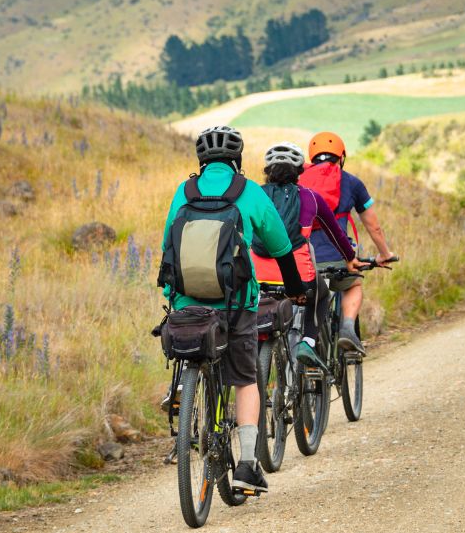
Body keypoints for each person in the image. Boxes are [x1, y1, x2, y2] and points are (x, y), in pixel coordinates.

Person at [160, 125, 305, 495]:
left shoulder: (185, 191)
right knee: (245, 379)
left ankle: (181, 390)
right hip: (237, 304)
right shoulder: (249, 192)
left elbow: (167, 247)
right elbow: (280, 246)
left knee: (191, 343)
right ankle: (246, 464)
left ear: (201, 161)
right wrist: (294, 289)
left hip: (187, 303)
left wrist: (172, 294)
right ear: (237, 159)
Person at [250, 142, 365, 369]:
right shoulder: (310, 197)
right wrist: (350, 258)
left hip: (259, 275)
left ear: (267, 170)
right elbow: (336, 234)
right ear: (300, 170)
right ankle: (308, 343)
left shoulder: (255, 195)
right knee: (321, 295)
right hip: (298, 276)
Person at [301, 131, 398, 356]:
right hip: (338, 258)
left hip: (303, 260)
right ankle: (347, 328)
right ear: (341, 157)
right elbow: (374, 226)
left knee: (306, 295)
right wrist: (384, 253)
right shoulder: (352, 182)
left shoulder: (298, 180)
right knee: (353, 285)